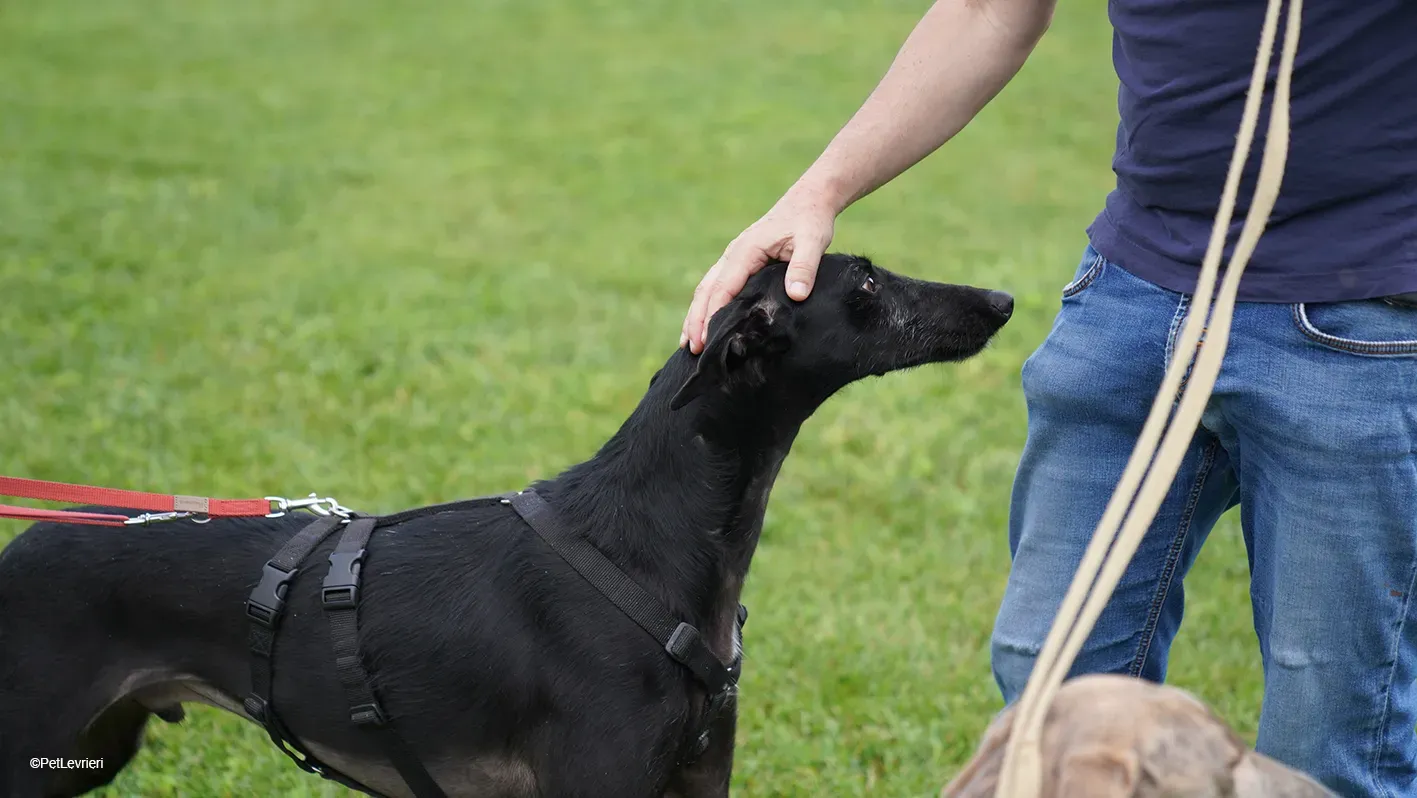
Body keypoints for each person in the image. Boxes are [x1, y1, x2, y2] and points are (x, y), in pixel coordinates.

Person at [679, 1, 1417, 795]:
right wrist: (818, 191)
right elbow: (988, 9)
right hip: (1135, 294)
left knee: (1330, 740)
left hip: (1357, 316)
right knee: (1049, 709)